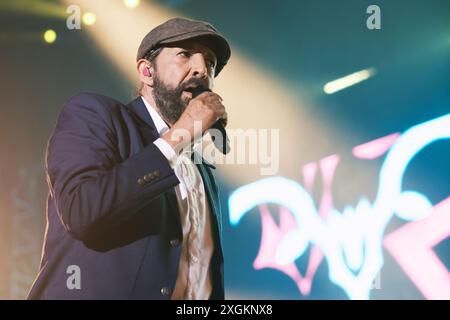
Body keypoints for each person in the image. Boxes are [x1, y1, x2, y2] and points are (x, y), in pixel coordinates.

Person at [27, 17, 230, 300]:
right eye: (185, 54)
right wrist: (179, 135)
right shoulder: (95, 115)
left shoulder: (200, 166)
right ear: (147, 71)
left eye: (208, 61)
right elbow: (82, 211)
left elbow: (202, 269)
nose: (201, 69)